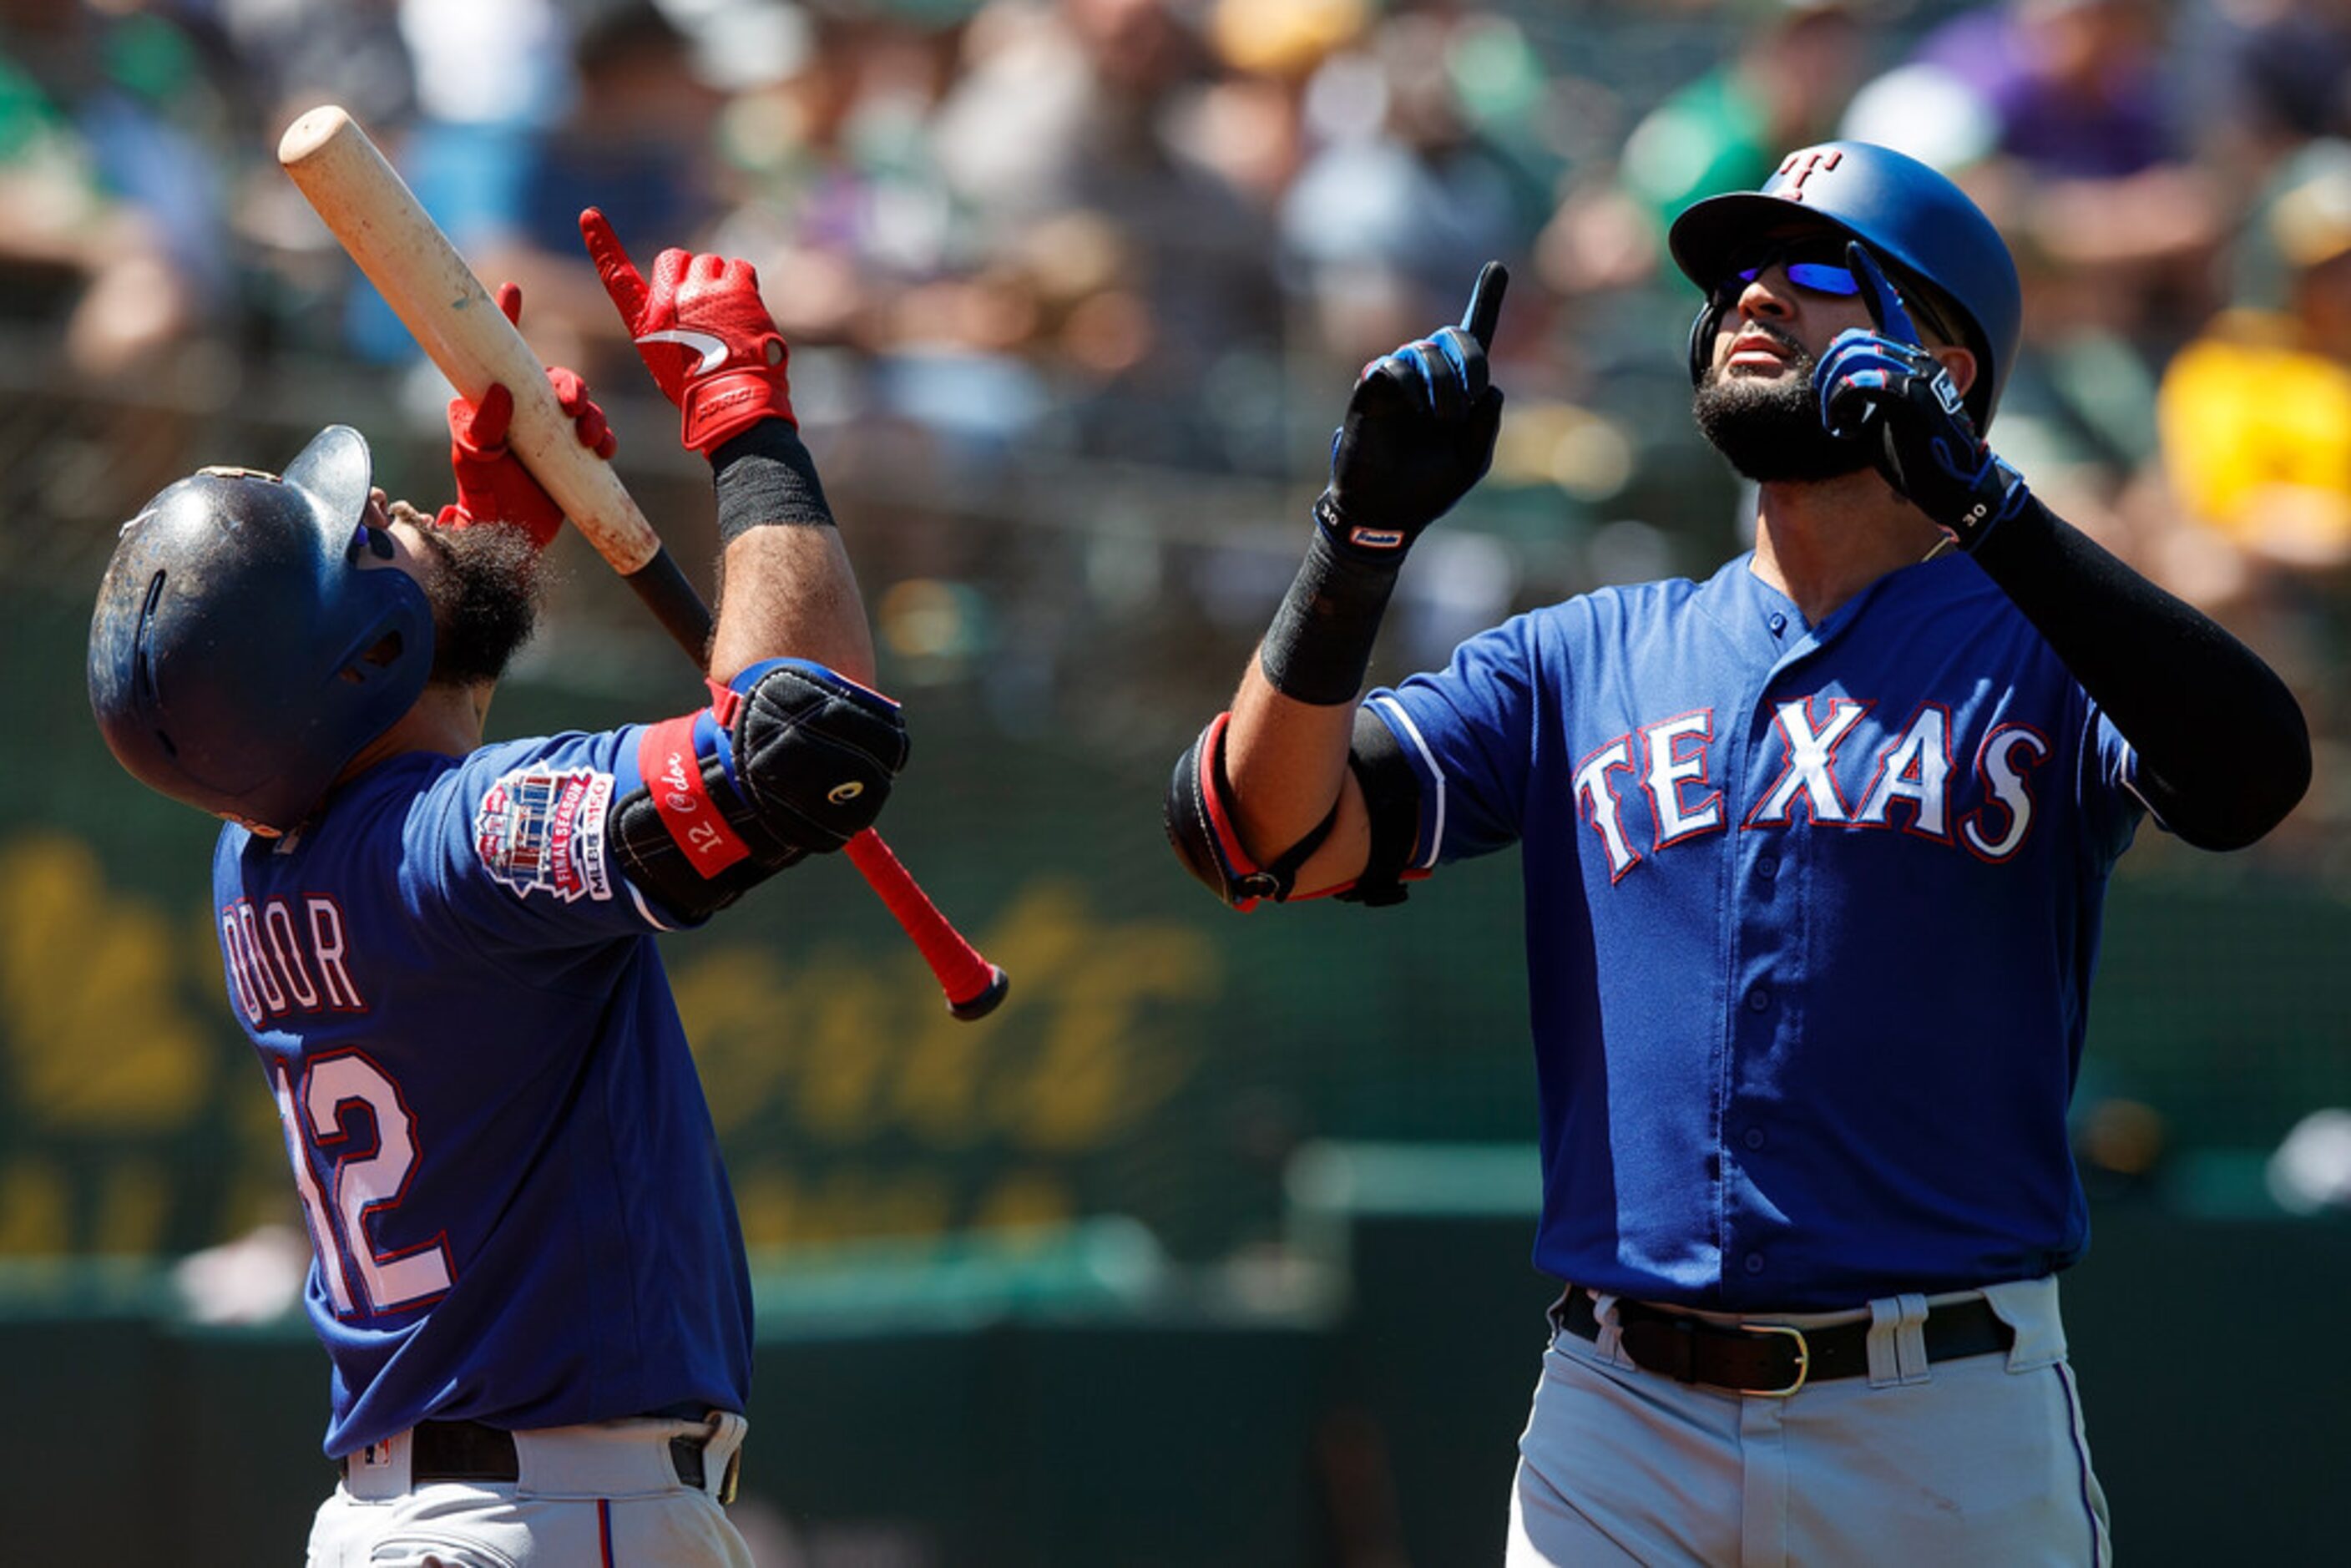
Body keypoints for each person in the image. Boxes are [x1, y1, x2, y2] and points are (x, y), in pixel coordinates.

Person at [1165, 140, 2310, 1563]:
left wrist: (1992, 508)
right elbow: (1253, 832)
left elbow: (2252, 774)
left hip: (1940, 1414)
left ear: (1943, 368)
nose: (1755, 294)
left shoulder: (2050, 647)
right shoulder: (1586, 652)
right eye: (1733, 275)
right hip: (1617, 1417)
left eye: (1817, 267)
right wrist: (1358, 537)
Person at [87, 217, 908, 1565]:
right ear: (357, 654)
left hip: (431, 1510)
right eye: (361, 541)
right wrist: (746, 422)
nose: (393, 510)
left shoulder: (258, 850)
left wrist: (481, 553)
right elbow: (805, 743)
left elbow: (407, 774)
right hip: (549, 1515)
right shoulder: (442, 840)